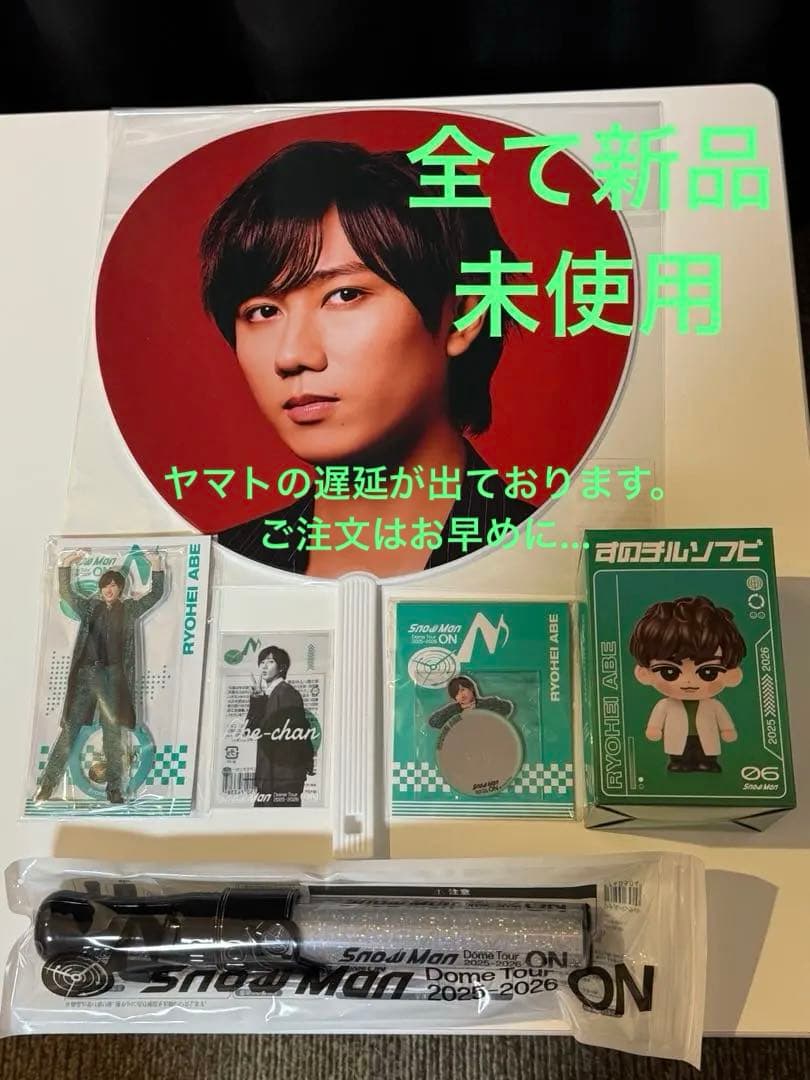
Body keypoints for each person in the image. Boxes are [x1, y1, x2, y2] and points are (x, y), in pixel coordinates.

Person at [200, 139, 535, 578]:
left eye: (344, 295)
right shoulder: (218, 570)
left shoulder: (549, 556)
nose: (291, 354)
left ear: (462, 317)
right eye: (263, 311)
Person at [35, 548, 164, 804]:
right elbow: (67, 592)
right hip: (87, 675)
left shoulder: (129, 610)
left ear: (121, 589)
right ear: (101, 588)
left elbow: (155, 594)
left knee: (112, 734)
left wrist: (156, 565)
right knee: (70, 730)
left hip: (113, 677)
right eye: (106, 585)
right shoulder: (89, 608)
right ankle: (47, 784)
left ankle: (114, 789)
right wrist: (67, 563)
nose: (109, 589)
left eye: (114, 585)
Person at [629, 595, 744, 773]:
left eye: (708, 672)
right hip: (676, 737)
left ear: (731, 675)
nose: (688, 681)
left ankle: (708, 762)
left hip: (707, 736)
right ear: (645, 674)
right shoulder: (665, 705)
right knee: (679, 752)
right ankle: (679, 762)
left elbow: (723, 719)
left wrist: (727, 730)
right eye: (670, 672)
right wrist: (654, 728)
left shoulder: (714, 705)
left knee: (706, 752)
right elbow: (657, 719)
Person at [243, 645, 314, 807]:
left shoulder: (287, 693)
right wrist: (257, 701)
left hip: (283, 778)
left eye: (270, 662)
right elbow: (251, 730)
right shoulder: (269, 694)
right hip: (270, 776)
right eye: (262, 662)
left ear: (281, 667)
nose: (264, 666)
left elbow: (293, 738)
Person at [428, 674, 514, 730]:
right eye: (456, 694)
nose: (461, 695)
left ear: (471, 688)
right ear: (455, 698)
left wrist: (484, 710)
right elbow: (434, 722)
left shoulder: (487, 703)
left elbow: (507, 708)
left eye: (462, 690)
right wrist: (456, 709)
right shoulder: (454, 710)